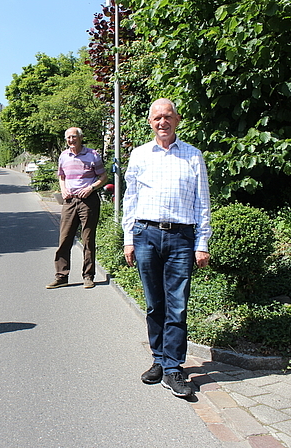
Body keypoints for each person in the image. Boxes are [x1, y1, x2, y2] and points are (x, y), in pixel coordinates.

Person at [122, 99, 212, 397]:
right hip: (146, 234)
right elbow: (130, 199)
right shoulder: (139, 155)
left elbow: (202, 202)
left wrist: (202, 243)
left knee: (178, 304)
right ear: (150, 122)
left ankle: (174, 368)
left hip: (181, 239)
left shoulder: (193, 155)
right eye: (158, 117)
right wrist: (128, 238)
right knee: (154, 304)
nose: (163, 122)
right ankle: (158, 360)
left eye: (168, 116)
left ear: (178, 119)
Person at [46, 127, 108, 290]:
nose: (71, 140)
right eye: (68, 138)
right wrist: (63, 189)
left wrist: (91, 188)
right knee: (64, 239)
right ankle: (61, 276)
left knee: (87, 239)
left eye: (73, 137)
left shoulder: (93, 155)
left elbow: (103, 176)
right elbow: (62, 176)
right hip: (69, 201)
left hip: (88, 201)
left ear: (80, 138)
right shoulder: (64, 155)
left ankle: (88, 276)